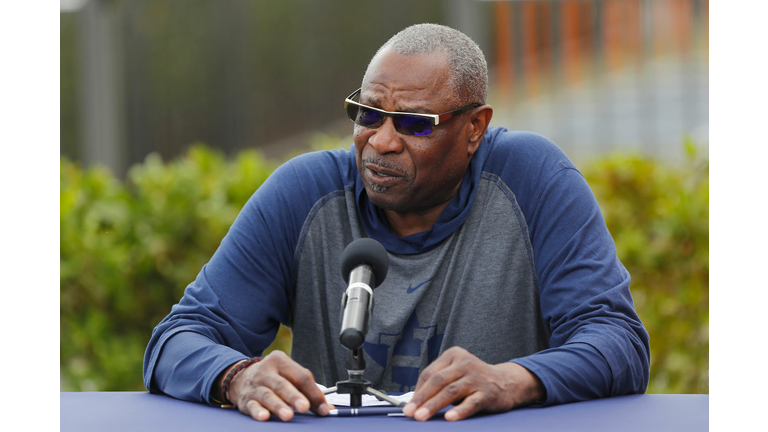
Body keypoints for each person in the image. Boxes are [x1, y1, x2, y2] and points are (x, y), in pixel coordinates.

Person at [143, 23, 650, 422]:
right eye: (367, 114)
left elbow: (617, 341)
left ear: (474, 129)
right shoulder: (303, 194)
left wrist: (511, 380)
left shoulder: (534, 179)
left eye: (413, 124)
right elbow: (176, 339)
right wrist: (237, 376)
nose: (381, 141)